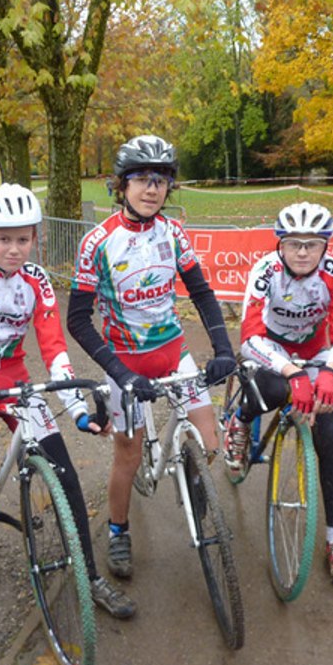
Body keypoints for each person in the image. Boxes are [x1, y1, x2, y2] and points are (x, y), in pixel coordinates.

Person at [0, 182, 135, 665]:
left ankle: (91, 574)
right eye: (4, 239)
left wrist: (77, 404)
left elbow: (54, 347)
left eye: (24, 239)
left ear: (35, 238)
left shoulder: (36, 281)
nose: (14, 249)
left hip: (14, 375)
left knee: (65, 474)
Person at [66, 135, 237, 581]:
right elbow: (79, 321)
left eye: (161, 180)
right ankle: (119, 531)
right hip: (125, 361)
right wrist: (119, 373)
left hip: (173, 352)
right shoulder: (98, 242)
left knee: (211, 439)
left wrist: (223, 350)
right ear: (121, 185)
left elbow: (201, 292)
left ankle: (196, 483)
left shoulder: (173, 233)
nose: (152, 189)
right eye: (142, 179)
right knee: (128, 454)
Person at [230, 201, 333, 586]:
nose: (303, 252)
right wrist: (292, 371)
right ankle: (240, 420)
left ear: (325, 247)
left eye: (312, 244)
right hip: (270, 350)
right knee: (270, 389)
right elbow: (249, 335)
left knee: (328, 432)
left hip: (317, 352)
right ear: (280, 246)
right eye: (294, 244)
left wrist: (332, 371)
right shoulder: (265, 271)